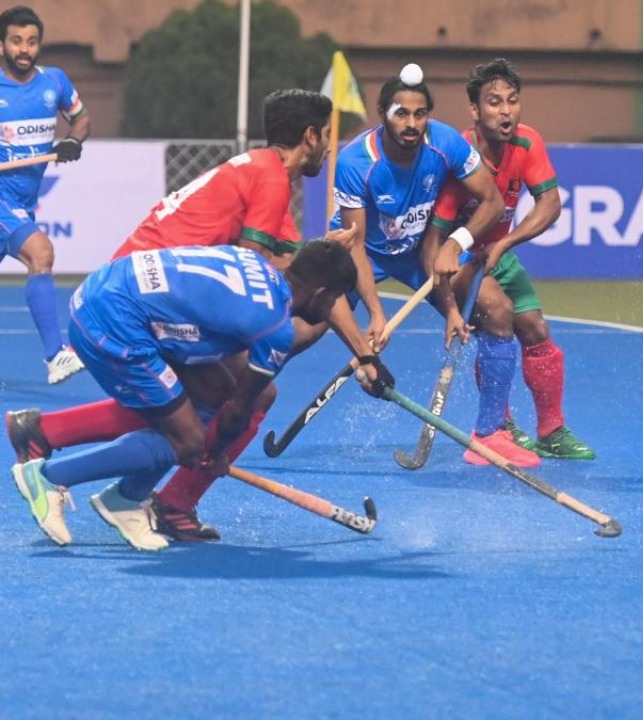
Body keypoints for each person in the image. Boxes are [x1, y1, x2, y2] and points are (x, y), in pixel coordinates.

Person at [4, 89, 390, 543]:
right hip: (143, 305)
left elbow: (305, 285)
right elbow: (283, 304)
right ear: (308, 136)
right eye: (326, 136)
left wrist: (363, 352)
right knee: (225, 407)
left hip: (135, 286)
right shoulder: (271, 181)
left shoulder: (261, 173)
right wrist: (215, 451)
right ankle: (164, 499)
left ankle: (54, 437)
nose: (328, 146)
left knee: (196, 405)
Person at [9, 240, 361, 550]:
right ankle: (49, 477)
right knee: (190, 443)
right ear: (320, 294)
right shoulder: (274, 326)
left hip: (110, 294)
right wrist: (217, 453)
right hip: (112, 323)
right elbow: (241, 409)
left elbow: (231, 390)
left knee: (215, 393)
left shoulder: (259, 269)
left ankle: (124, 499)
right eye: (336, 298)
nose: (335, 306)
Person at [329, 65, 532, 465]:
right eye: (401, 113)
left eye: (420, 114)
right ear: (382, 113)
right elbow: (354, 248)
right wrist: (374, 312)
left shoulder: (446, 143)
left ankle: (491, 433)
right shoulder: (356, 160)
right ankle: (234, 407)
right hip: (363, 252)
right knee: (304, 329)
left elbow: (492, 202)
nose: (411, 123)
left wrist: (456, 251)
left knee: (498, 312)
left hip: (421, 254)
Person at [427, 58, 595, 462]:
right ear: (474, 110)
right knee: (498, 317)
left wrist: (506, 243)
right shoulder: (459, 155)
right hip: (460, 257)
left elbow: (550, 204)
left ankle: (551, 432)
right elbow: (437, 237)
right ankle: (493, 427)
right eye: (494, 102)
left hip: (496, 252)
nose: (505, 111)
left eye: (512, 101)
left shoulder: (527, 142)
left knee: (536, 328)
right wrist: (449, 290)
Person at [0, 5, 90, 383]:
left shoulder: (55, 82)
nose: (24, 49)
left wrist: (71, 139)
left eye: (32, 41)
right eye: (16, 41)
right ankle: (56, 356)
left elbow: (81, 117)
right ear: (2, 44)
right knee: (42, 252)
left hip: (22, 202)